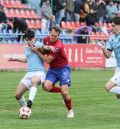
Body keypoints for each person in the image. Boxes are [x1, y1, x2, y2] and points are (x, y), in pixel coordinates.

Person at [30, 26, 74, 118]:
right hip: (53, 69)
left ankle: (70, 111)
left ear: (58, 36)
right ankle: (61, 90)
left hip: (63, 69)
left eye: (55, 36)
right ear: (49, 33)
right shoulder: (46, 39)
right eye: (51, 35)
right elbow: (44, 52)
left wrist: (36, 52)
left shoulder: (58, 46)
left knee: (65, 93)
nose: (52, 37)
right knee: (45, 86)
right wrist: (37, 48)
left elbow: (47, 60)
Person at [8, 29, 46, 109]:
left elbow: (44, 53)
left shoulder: (39, 45)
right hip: (29, 73)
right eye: (27, 40)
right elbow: (27, 60)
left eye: (30, 39)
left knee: (34, 81)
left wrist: (37, 49)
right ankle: (26, 109)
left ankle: (30, 102)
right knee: (17, 95)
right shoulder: (26, 48)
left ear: (34, 38)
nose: (29, 42)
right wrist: (15, 59)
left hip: (39, 72)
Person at [98, 17, 120, 99]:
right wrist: (103, 47)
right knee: (118, 95)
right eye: (111, 26)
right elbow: (107, 55)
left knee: (108, 87)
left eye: (114, 26)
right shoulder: (112, 38)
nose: (112, 28)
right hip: (118, 67)